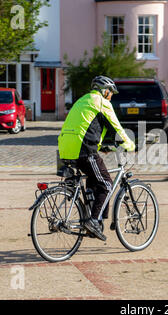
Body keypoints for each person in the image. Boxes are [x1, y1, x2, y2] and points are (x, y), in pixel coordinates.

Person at [58, 76, 135, 241]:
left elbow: (86, 125)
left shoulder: (83, 100)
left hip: (64, 148)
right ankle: (93, 221)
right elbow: (116, 127)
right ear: (105, 91)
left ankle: (93, 218)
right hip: (83, 149)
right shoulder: (101, 102)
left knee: (94, 179)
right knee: (106, 183)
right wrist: (130, 145)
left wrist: (102, 146)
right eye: (111, 93)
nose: (111, 96)